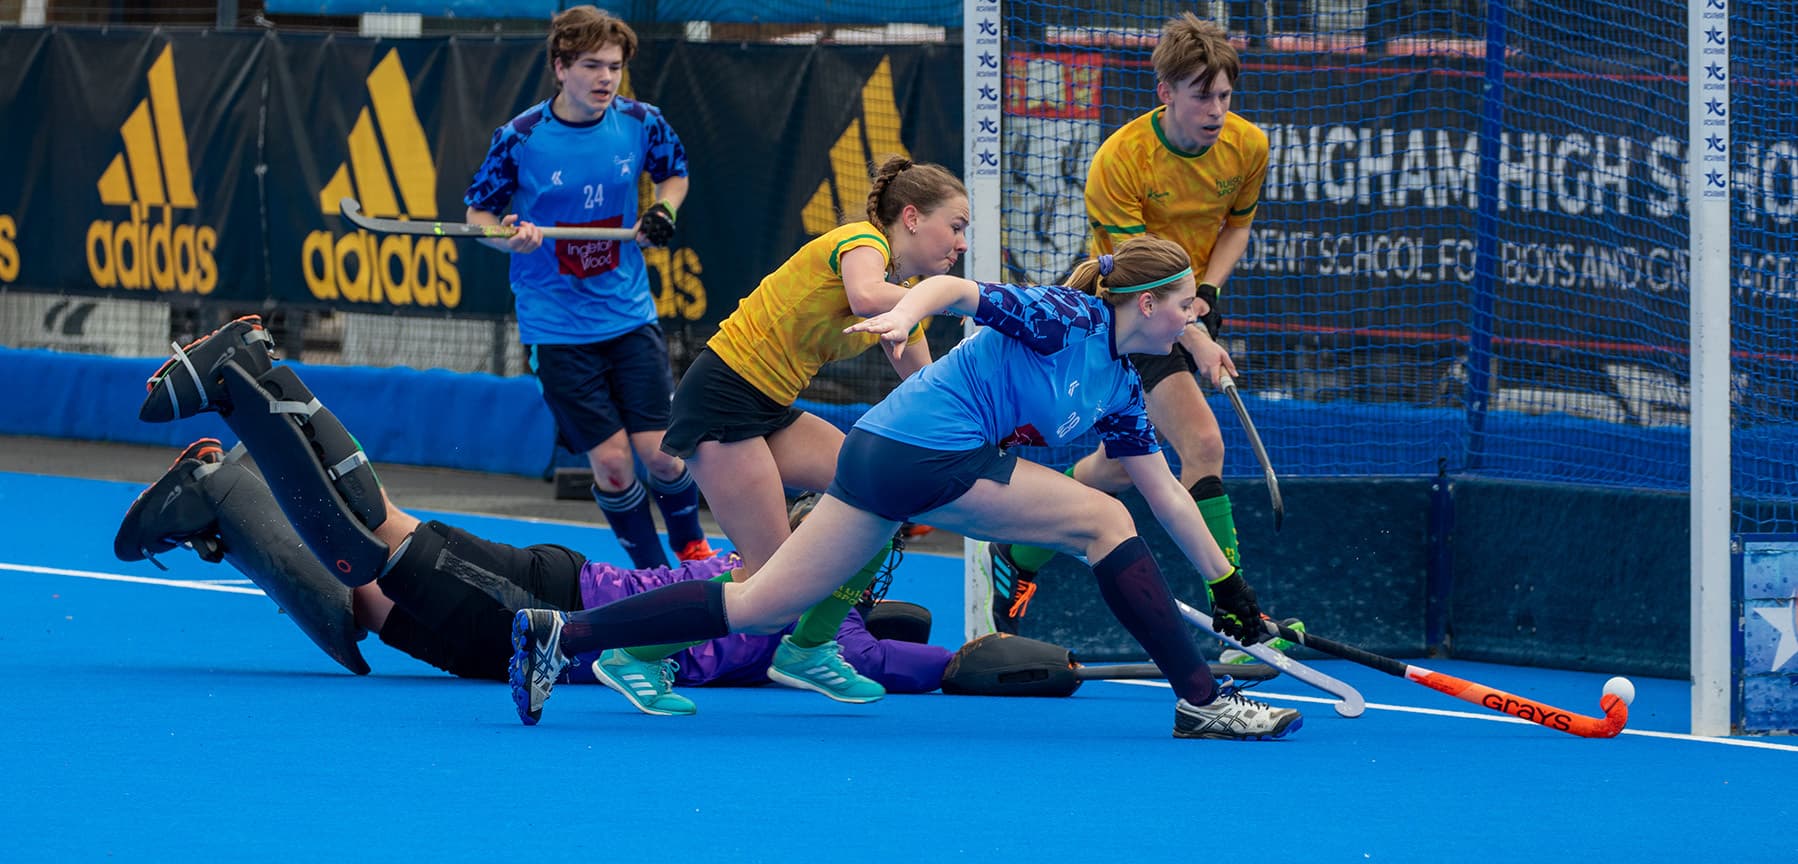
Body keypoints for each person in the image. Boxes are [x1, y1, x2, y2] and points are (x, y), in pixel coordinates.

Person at [508, 235, 1304, 740]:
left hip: (883, 458)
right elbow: (958, 295)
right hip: (924, 452)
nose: (1196, 311)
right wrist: (904, 316)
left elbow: (1164, 491)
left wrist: (1227, 585)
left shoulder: (1123, 388)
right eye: (1185, 299)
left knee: (761, 603)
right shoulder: (1064, 317)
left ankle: (560, 636)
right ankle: (1201, 699)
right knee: (1099, 520)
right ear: (1144, 303)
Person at [114, 320, 951, 705]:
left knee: (361, 610)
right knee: (367, 546)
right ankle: (254, 380)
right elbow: (929, 665)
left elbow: (895, 637)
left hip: (551, 602)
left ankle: (213, 499)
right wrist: (1025, 664)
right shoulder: (819, 624)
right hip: (551, 604)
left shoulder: (764, 582)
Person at [586, 156, 969, 714]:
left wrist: (975, 431)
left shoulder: (911, 295)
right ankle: (634, 655)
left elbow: (926, 384)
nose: (959, 243)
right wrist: (959, 293)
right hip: (723, 399)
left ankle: (807, 649)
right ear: (911, 217)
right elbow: (864, 295)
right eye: (955, 226)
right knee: (768, 583)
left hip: (770, 407)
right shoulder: (863, 243)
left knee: (886, 492)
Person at [975, 14, 1293, 666]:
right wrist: (1197, 336)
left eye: (1226, 96)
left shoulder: (1249, 147)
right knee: (1203, 442)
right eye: (1201, 95)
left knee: (1124, 464)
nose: (1216, 111)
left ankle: (1021, 550)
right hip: (1128, 315)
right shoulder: (1119, 162)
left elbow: (1236, 226)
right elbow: (1141, 274)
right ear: (1165, 92)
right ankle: (1241, 621)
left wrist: (1211, 293)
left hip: (1186, 303)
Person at [463, 5, 710, 571]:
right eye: (592, 65)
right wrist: (510, 239)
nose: (605, 78)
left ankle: (692, 546)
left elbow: (675, 172)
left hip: (629, 317)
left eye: (615, 67)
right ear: (560, 67)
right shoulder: (520, 138)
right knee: (616, 463)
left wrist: (664, 209)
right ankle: (650, 574)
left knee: (664, 457)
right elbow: (480, 215)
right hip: (556, 328)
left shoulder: (642, 121)